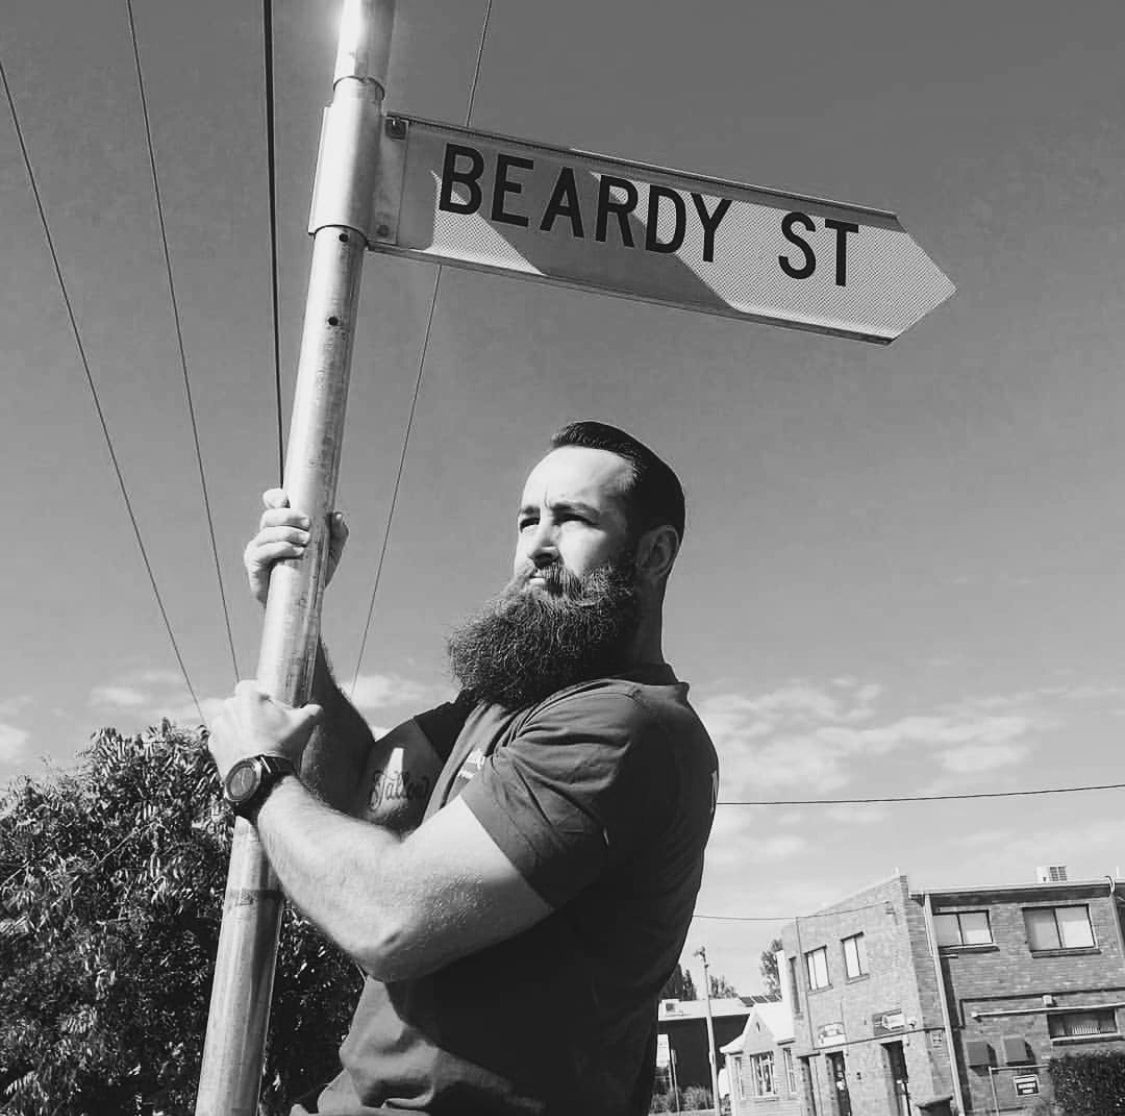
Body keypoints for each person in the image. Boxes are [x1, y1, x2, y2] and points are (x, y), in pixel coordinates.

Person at [207, 421, 719, 1115]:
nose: (537, 545)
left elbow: (387, 918)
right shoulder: (497, 709)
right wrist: (297, 613)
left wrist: (260, 779)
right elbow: (362, 788)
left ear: (654, 553)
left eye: (572, 519)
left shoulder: (623, 725)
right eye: (527, 519)